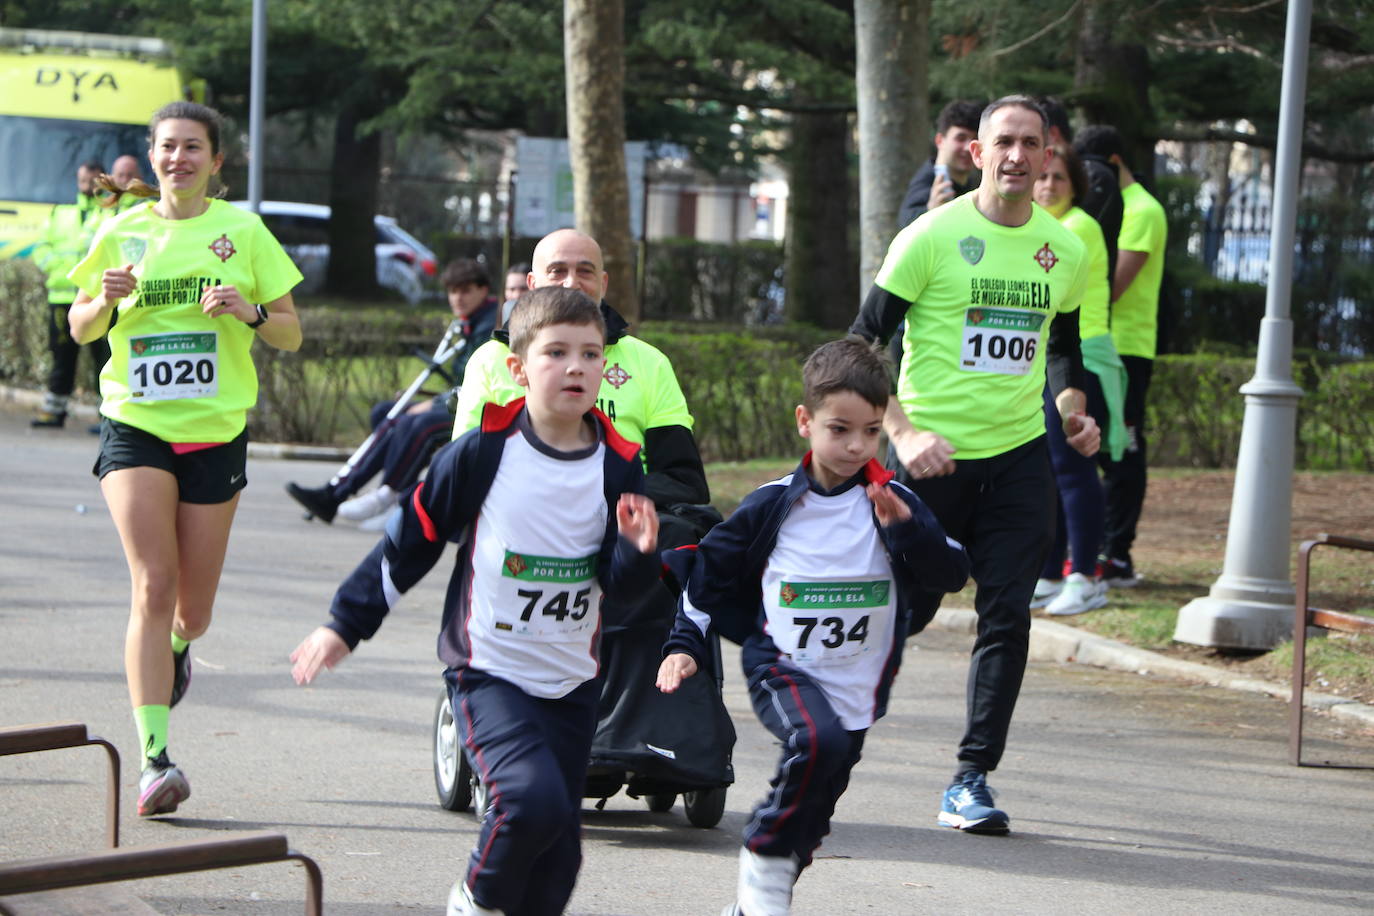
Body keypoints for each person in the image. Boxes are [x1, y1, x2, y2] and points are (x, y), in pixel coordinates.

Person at [288, 286, 660, 916]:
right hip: (489, 671)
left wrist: (637, 554)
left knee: (559, 859)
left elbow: (619, 589)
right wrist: (343, 626)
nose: (576, 367)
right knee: (528, 802)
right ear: (517, 369)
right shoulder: (482, 452)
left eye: (591, 354)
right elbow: (409, 542)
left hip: (571, 682)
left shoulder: (619, 466)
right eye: (557, 353)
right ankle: (474, 901)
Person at [849, 96, 1100, 835]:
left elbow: (1062, 346)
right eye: (1004, 143)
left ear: (1049, 154)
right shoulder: (929, 237)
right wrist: (901, 430)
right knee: (909, 608)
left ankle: (971, 777)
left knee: (1006, 614)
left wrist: (1073, 409)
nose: (1019, 156)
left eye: (1033, 143)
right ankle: (835, 724)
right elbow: (862, 345)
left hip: (1020, 456)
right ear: (976, 153)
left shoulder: (1066, 249)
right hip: (930, 459)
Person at [656, 338, 970, 916]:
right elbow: (708, 575)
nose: (855, 446)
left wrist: (906, 531)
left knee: (817, 803)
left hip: (859, 680)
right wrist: (684, 645)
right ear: (805, 421)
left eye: (871, 431)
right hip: (783, 665)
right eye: (839, 428)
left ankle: (757, 896)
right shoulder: (772, 505)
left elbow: (951, 570)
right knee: (815, 742)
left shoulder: (892, 500)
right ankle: (763, 855)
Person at [67, 101, 303, 817]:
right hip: (136, 425)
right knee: (153, 583)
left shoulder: (243, 231)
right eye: (167, 147)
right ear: (154, 154)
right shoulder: (124, 230)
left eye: (193, 147)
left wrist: (252, 313)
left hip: (215, 431)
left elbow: (292, 334)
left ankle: (177, 647)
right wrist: (100, 304)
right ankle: (153, 759)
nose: (178, 159)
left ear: (215, 161)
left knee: (191, 612)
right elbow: (80, 327)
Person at [453, 229, 710, 528]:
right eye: (557, 270)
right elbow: (465, 472)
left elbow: (683, 481)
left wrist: (597, 497)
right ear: (532, 284)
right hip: (523, 524)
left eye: (584, 271)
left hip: (623, 527)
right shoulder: (490, 360)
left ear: (602, 283)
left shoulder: (649, 363)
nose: (571, 282)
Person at [284, 258, 499, 523]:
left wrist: (433, 403)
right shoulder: (471, 322)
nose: (458, 298)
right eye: (453, 291)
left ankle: (386, 495)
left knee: (416, 422)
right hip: (457, 400)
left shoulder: (489, 325)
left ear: (483, 290)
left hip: (478, 409)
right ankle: (343, 491)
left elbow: (477, 382)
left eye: (465, 290)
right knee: (386, 412)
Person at [1029, 144, 1130, 616]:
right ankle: (1051, 573)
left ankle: (1084, 575)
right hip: (1049, 360)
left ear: (1076, 187)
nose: (1048, 186)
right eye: (1042, 178)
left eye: (1058, 179)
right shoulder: (1041, 226)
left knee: (1073, 469)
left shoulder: (1076, 227)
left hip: (1078, 358)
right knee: (1050, 471)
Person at [1075, 125, 1167, 587]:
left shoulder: (1141, 209)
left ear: (1111, 164)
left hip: (1125, 347)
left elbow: (1112, 286)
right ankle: (1089, 551)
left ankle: (1118, 554)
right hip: (1095, 343)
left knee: (1122, 449)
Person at [30, 160, 109, 428]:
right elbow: (41, 247)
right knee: (61, 355)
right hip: (62, 297)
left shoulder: (109, 212)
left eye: (92, 180)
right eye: (82, 180)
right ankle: (55, 410)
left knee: (104, 357)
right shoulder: (60, 212)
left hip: (97, 299)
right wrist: (58, 270)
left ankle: (106, 414)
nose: (86, 185)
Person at [896, 100, 984, 228]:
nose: (968, 148)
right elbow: (905, 222)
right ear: (940, 141)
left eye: (974, 139)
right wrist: (930, 210)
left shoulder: (972, 183)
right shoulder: (928, 181)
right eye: (960, 138)